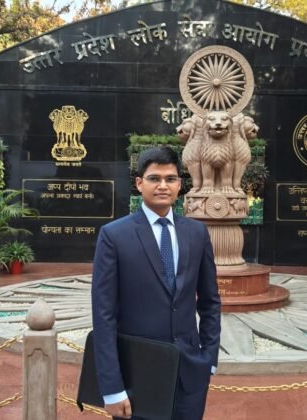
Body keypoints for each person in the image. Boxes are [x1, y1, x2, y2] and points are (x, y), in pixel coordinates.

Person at [91, 146, 221, 420]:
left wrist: (208, 359)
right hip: (137, 375)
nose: (163, 186)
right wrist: (111, 388)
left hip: (189, 374)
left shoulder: (196, 233)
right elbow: (104, 316)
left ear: (179, 185)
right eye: (154, 178)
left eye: (170, 179)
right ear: (140, 183)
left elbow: (210, 302)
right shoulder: (114, 236)